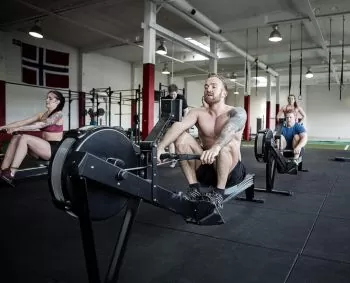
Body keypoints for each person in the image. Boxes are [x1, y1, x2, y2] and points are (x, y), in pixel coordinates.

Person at [157, 74, 247, 208]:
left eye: (213, 86)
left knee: (225, 143)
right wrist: (161, 146)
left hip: (231, 173)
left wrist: (216, 147)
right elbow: (178, 126)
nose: (208, 89)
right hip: (206, 168)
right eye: (206, 86)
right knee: (182, 139)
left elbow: (231, 128)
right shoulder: (197, 112)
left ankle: (219, 194)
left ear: (224, 93)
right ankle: (194, 188)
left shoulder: (236, 112)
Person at [0, 90, 65, 185]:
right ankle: (3, 170)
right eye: (47, 98)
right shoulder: (42, 114)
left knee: (24, 137)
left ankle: (12, 173)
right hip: (41, 149)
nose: (47, 100)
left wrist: (17, 128)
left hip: (53, 150)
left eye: (50, 98)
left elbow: (39, 125)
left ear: (57, 101)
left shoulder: (59, 114)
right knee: (16, 137)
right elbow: (21, 122)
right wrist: (2, 127)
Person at [164, 84, 189, 168]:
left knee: (180, 142)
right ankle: (173, 160)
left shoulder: (181, 97)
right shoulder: (166, 99)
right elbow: (164, 112)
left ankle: (184, 160)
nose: (173, 96)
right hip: (170, 122)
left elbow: (186, 110)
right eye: (171, 94)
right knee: (170, 141)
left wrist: (184, 122)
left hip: (180, 122)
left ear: (177, 92)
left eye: (174, 94)